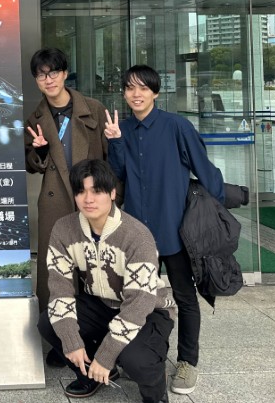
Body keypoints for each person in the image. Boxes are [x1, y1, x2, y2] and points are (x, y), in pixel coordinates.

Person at [104, 65, 224, 396]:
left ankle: (187, 362)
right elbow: (117, 174)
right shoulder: (122, 129)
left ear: (155, 92)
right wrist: (114, 141)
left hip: (175, 229)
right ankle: (143, 356)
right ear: (124, 93)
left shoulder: (177, 126)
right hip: (138, 234)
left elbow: (204, 168)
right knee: (135, 297)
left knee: (184, 296)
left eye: (144, 88)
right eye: (130, 88)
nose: (136, 94)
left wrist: (218, 210)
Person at [37, 159, 174, 402]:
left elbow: (139, 304)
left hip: (148, 309)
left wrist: (106, 355)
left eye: (97, 191)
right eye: (81, 191)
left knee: (136, 359)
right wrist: (71, 340)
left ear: (112, 193)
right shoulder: (64, 229)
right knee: (49, 322)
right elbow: (60, 289)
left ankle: (155, 393)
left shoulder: (137, 236)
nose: (88, 199)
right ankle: (93, 375)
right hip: (101, 302)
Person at [24, 47, 108, 365]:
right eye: (41, 75)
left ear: (65, 73)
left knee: (96, 268)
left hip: (93, 200)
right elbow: (31, 164)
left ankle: (96, 337)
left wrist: (114, 200)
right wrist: (39, 152)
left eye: (54, 72)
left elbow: (111, 158)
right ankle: (63, 340)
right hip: (56, 202)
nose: (49, 80)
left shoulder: (94, 110)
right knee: (57, 272)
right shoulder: (36, 119)